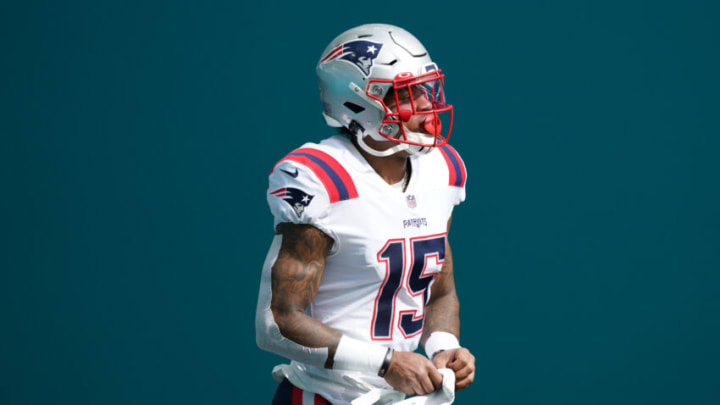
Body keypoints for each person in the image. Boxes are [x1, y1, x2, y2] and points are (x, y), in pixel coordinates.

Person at [255, 23, 475, 404]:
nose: (425, 105)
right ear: (358, 102)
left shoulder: (441, 169)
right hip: (326, 397)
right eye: (406, 94)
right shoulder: (324, 180)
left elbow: (437, 290)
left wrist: (443, 345)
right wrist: (385, 363)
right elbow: (276, 322)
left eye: (426, 88)